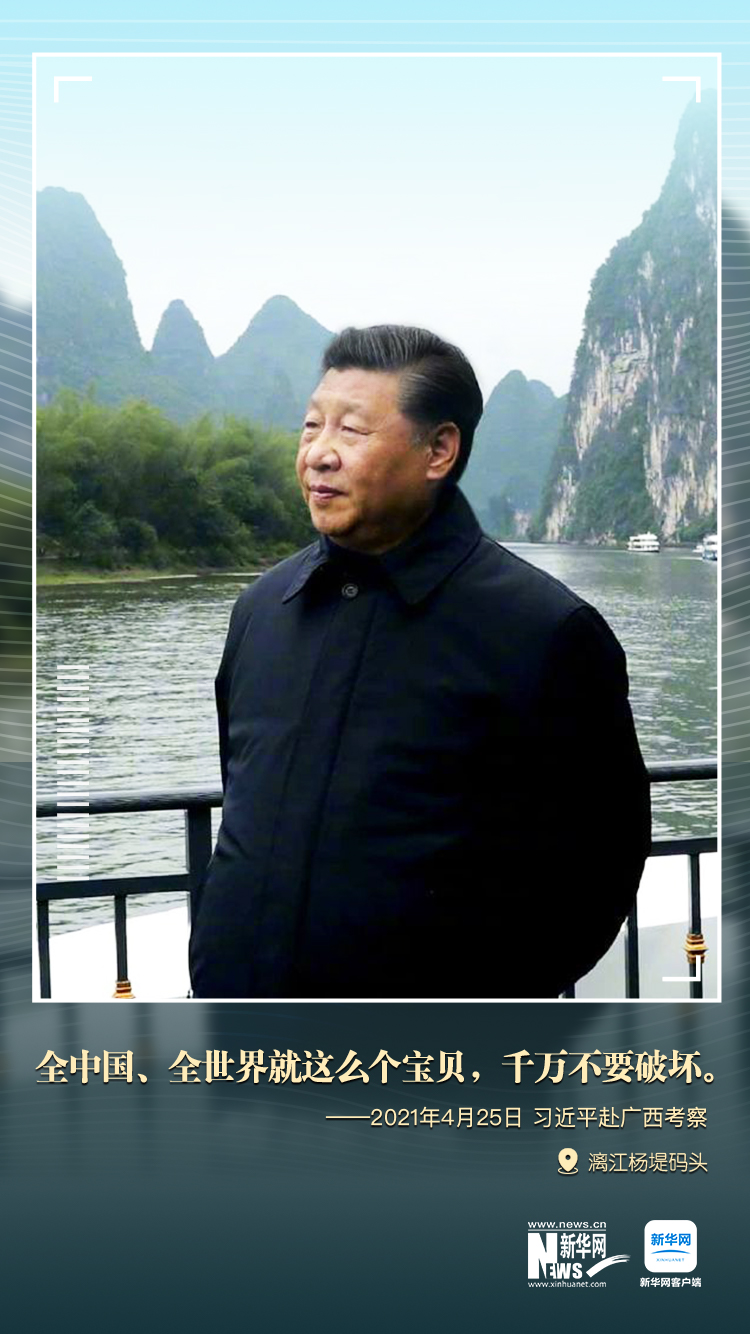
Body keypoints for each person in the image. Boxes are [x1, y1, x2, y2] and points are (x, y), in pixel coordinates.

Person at [189, 325, 651, 1000]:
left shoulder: (543, 632)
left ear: (438, 450)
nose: (318, 453)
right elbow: (242, 792)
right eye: (311, 426)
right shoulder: (263, 609)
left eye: (351, 430)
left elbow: (600, 862)